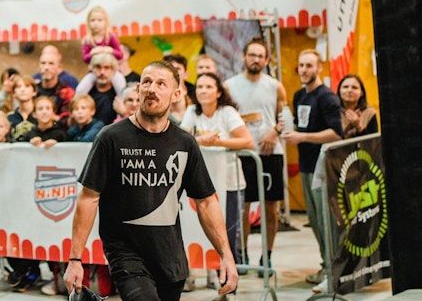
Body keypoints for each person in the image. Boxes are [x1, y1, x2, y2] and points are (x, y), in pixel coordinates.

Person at [64, 62, 239, 301]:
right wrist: (75, 259)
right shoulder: (111, 137)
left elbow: (206, 201)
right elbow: (89, 197)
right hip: (125, 252)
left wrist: (226, 255)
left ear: (176, 94)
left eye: (160, 84)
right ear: (138, 89)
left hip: (169, 257)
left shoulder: (184, 143)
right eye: (146, 82)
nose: (151, 89)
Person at [224, 38, 287, 271]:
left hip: (272, 153)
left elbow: (285, 118)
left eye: (261, 56)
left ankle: (267, 255)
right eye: (252, 55)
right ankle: (241, 254)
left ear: (267, 60)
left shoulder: (275, 86)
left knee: (271, 208)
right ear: (244, 57)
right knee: (243, 206)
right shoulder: (230, 86)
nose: (256, 59)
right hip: (243, 154)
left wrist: (275, 131)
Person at [182, 72, 253, 276]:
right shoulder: (191, 112)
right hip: (201, 184)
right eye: (200, 87)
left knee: (228, 236)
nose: (203, 91)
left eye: (209, 87)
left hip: (230, 182)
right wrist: (200, 141)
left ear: (219, 92)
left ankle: (228, 288)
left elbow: (247, 141)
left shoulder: (227, 112)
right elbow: (182, 140)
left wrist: (217, 142)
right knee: (202, 233)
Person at [281, 49, 342, 286]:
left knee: (326, 221)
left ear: (319, 68)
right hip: (306, 166)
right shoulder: (298, 96)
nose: (304, 70)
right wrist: (286, 127)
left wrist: (302, 137)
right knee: (315, 221)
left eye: (309, 65)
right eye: (301, 66)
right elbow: (302, 125)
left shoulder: (327, 97)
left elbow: (336, 133)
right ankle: (326, 265)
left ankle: (334, 270)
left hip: (323, 168)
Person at [35, 45, 78, 123]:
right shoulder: (33, 90)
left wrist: (52, 117)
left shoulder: (67, 92)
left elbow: (70, 120)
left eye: (51, 63)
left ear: (59, 67)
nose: (46, 67)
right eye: (43, 63)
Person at [81, 53, 122, 126]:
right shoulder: (86, 91)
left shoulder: (118, 93)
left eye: (106, 67)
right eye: (98, 67)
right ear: (92, 69)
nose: (102, 72)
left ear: (113, 70)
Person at [337, 74, 378, 138]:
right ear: (339, 91)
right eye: (345, 87)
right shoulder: (333, 112)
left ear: (362, 93)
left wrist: (358, 126)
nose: (349, 90)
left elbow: (373, 142)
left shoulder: (369, 113)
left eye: (354, 87)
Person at [7, 75, 38, 140]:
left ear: (34, 92)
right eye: (18, 87)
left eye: (27, 86)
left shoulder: (41, 116)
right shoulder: (9, 119)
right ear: (13, 93)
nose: (22, 89)